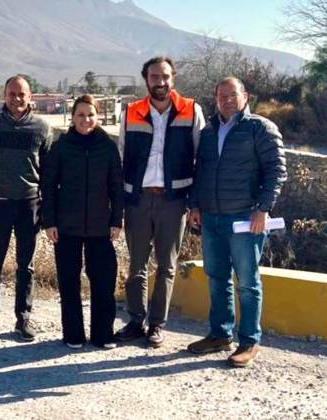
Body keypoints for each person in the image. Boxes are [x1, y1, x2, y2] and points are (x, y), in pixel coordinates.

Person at [187, 77, 287, 367]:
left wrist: (263, 209)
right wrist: (195, 205)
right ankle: (220, 334)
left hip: (245, 218)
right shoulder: (208, 132)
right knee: (217, 277)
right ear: (216, 99)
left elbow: (276, 171)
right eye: (222, 96)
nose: (227, 100)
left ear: (245, 96)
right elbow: (200, 171)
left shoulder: (261, 128)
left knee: (247, 282)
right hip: (212, 218)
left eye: (232, 95)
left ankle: (249, 341)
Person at [116, 56, 205, 347]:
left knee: (166, 265)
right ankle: (136, 320)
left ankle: (157, 324)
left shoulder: (191, 110)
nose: (160, 82)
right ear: (146, 79)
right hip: (138, 200)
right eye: (154, 77)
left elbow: (202, 159)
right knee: (136, 265)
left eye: (165, 76)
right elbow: (121, 155)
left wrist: (195, 202)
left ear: (173, 78)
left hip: (174, 201)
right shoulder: (131, 112)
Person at [0, 75, 52, 343]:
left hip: (30, 205)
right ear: (4, 96)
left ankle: (23, 319)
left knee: (26, 266)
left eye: (21, 94)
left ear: (30, 97)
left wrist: (48, 208)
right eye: (12, 94)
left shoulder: (41, 128)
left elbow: (49, 170)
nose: (16, 99)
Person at [42, 95, 123, 349]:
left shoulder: (108, 147)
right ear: (73, 117)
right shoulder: (61, 147)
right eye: (80, 115)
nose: (85, 120)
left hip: (100, 227)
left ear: (97, 117)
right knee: (69, 282)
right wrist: (49, 221)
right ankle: (73, 334)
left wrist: (116, 219)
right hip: (67, 226)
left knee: (103, 282)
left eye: (90, 115)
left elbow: (116, 186)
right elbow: (48, 186)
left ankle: (103, 334)